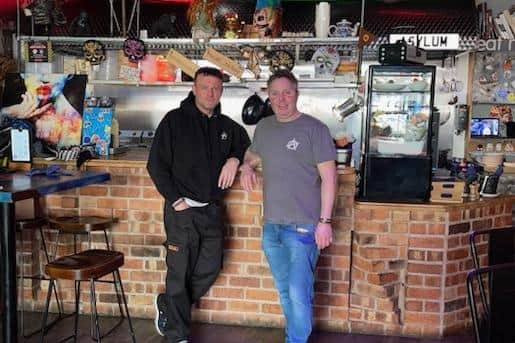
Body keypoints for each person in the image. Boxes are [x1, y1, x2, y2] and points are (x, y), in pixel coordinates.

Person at [147, 67, 250, 343]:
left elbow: (245, 142)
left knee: (210, 267)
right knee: (179, 273)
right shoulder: (174, 121)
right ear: (194, 89)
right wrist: (175, 200)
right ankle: (177, 336)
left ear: (221, 91)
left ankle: (170, 306)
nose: (210, 93)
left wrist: (234, 159)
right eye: (205, 87)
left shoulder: (226, 126)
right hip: (182, 212)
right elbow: (156, 165)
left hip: (212, 210)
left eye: (216, 88)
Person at [239, 70, 336, 343]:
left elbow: (330, 179)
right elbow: (253, 153)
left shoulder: (315, 129)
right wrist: (246, 165)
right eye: (275, 93)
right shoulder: (265, 127)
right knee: (285, 290)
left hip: (304, 227)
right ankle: (293, 337)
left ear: (297, 94)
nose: (281, 99)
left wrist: (325, 222)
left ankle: (295, 340)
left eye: (287, 92)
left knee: (298, 292)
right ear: (268, 96)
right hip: (272, 227)